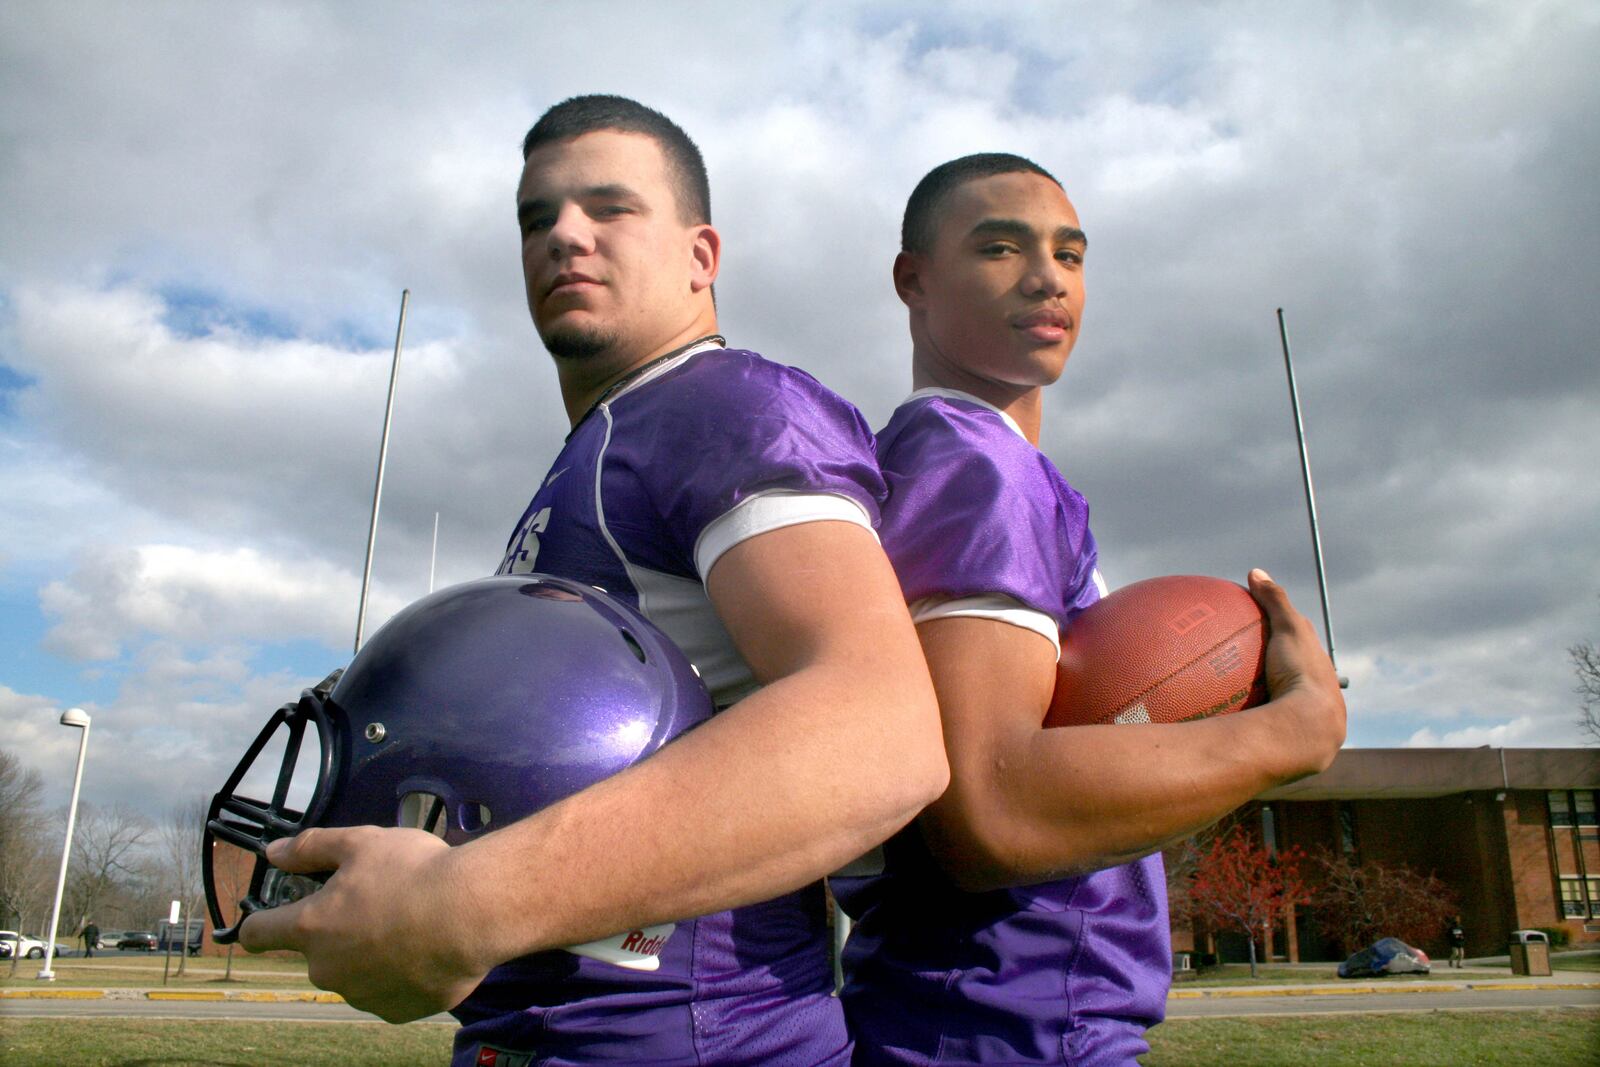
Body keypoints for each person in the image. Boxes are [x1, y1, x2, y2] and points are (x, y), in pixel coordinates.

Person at [239, 96, 948, 1065]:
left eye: (608, 207)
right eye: (537, 218)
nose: (563, 234)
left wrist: (465, 902)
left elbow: (882, 733)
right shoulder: (601, 447)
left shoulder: (716, 402)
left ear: (701, 256)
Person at [838, 153, 1347, 1065]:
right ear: (913, 280)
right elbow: (990, 810)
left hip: (964, 1012)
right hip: (1009, 1020)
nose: (1047, 278)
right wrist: (1293, 733)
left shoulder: (943, 461)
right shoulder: (976, 466)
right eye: (1000, 247)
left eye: (1071, 256)